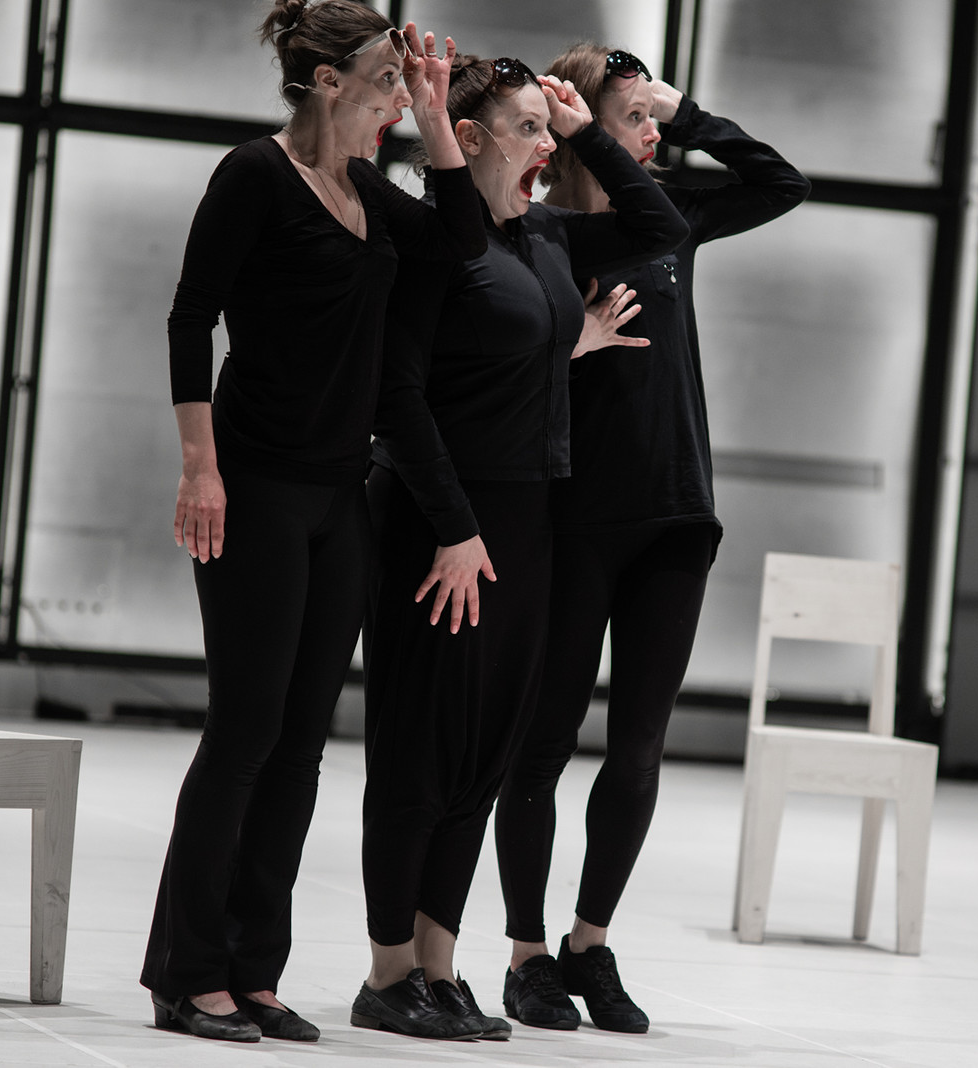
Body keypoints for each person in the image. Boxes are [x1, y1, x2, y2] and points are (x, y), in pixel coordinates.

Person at [139, 0, 484, 1045]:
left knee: (299, 749)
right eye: (388, 76)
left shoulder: (369, 189)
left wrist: (438, 122)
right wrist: (199, 468)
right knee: (244, 733)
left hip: (341, 495)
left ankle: (254, 970)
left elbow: (460, 243)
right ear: (327, 81)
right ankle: (186, 972)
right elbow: (190, 317)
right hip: (253, 485)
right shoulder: (253, 174)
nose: (399, 92)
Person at [355, 56, 688, 1041]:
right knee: (418, 756)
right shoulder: (433, 239)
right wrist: (453, 527)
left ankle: (439, 965)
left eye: (551, 128)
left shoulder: (545, 235)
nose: (548, 145)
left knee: (480, 759)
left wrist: (587, 131)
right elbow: (398, 399)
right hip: (438, 525)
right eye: (531, 128)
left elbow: (660, 226)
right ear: (471, 136)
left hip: (526, 527)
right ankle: (387, 973)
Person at [492, 44, 811, 1034]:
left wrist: (689, 113)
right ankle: (527, 954)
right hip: (573, 519)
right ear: (580, 122)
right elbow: (495, 356)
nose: (652, 134)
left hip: (674, 516)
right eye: (633, 117)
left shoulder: (670, 211)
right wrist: (569, 338)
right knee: (542, 744)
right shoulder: (542, 229)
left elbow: (782, 184)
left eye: (653, 121)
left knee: (636, 752)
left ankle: (589, 943)